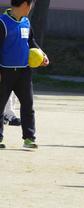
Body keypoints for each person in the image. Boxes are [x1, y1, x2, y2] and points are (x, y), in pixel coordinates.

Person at [0, 0, 49, 149]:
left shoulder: (26, 22)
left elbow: (31, 41)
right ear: (25, 4)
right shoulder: (2, 23)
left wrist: (42, 54)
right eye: (31, 4)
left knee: (28, 105)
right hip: (5, 71)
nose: (31, 7)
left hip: (24, 72)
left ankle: (29, 137)